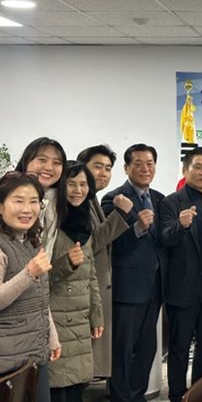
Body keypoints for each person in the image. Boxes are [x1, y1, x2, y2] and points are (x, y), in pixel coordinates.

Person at [159, 147, 202, 402]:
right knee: (180, 345)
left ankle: (200, 393)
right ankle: (177, 395)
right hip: (183, 286)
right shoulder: (171, 202)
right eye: (198, 167)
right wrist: (181, 225)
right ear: (186, 170)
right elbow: (164, 239)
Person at [101, 144, 165, 402]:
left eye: (150, 163)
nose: (145, 169)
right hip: (127, 288)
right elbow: (109, 243)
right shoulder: (112, 199)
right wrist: (138, 227)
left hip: (155, 287)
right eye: (138, 163)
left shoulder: (159, 199)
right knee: (122, 350)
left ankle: (137, 396)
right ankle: (120, 398)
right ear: (126, 168)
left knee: (147, 349)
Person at [0, 172, 61, 402]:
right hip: (7, 363)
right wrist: (29, 273)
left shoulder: (31, 241)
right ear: (0, 207)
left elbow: (40, 298)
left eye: (34, 201)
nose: (27, 209)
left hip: (34, 355)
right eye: (18, 201)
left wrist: (51, 336)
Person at [77, 145, 133, 384]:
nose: (103, 173)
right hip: (81, 291)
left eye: (108, 168)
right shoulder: (79, 201)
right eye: (97, 166)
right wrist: (120, 214)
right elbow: (92, 243)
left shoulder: (92, 199)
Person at [48, 162, 104, 402]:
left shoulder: (84, 221)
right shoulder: (50, 222)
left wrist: (96, 314)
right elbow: (37, 279)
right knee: (57, 388)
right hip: (56, 317)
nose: (78, 190)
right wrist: (66, 263)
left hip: (80, 319)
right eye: (71, 184)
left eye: (83, 184)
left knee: (77, 387)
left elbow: (91, 273)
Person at [15, 137, 67, 259]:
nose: (49, 168)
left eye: (56, 163)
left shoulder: (57, 202)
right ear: (26, 161)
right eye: (42, 160)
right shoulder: (6, 196)